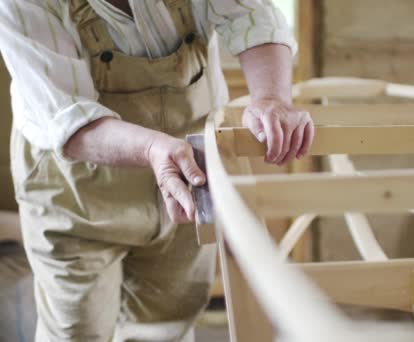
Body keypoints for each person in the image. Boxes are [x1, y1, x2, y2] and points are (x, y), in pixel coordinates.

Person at [0, 0, 313, 340]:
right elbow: (68, 118)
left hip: (185, 177)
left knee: (166, 325)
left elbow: (252, 15)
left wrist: (271, 98)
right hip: (74, 194)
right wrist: (152, 148)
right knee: (76, 329)